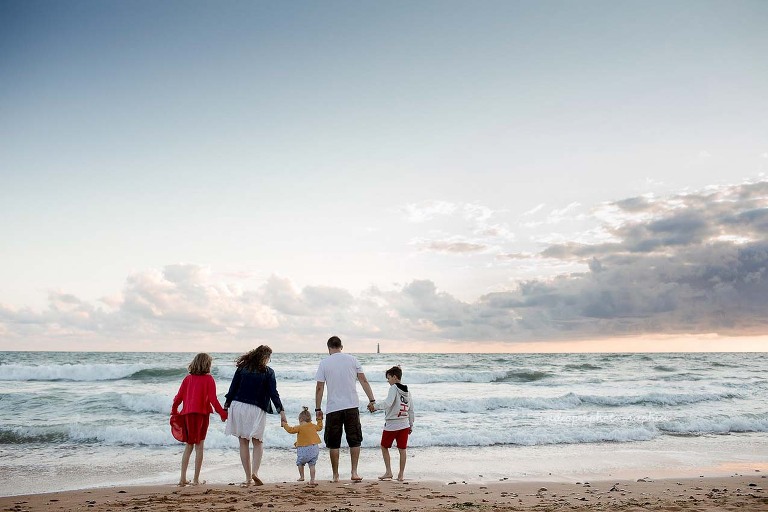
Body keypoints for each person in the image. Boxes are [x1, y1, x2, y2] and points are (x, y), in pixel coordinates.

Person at [315, 335, 376, 482]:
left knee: (333, 442)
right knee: (355, 440)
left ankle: (336, 475)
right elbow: (363, 380)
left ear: (329, 348)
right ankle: (354, 472)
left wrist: (317, 408)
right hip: (351, 406)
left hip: (333, 408)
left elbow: (319, 387)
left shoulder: (324, 363)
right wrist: (372, 400)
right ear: (341, 347)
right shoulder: (352, 360)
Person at [224, 345, 287, 487]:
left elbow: (232, 388)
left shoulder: (242, 368)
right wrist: (281, 411)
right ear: (265, 357)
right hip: (256, 408)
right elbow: (273, 393)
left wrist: (226, 406)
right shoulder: (268, 372)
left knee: (243, 442)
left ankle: (247, 478)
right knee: (257, 442)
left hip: (238, 406)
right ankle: (255, 472)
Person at [171, 353, 228, 487]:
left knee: (189, 446)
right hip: (201, 415)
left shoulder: (187, 379)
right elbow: (213, 399)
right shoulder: (209, 379)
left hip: (187, 415)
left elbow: (178, 398)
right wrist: (222, 414)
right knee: (199, 446)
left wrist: (174, 411)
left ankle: (182, 479)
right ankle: (196, 480)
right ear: (207, 364)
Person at [369, 365, 414, 482]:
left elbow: (388, 403)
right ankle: (401, 474)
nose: (388, 381)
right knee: (402, 449)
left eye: (388, 378)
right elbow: (411, 410)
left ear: (394, 377)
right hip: (404, 424)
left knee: (384, 446)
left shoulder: (393, 388)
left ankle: (389, 471)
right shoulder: (408, 391)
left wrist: (375, 406)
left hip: (392, 424)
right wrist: (411, 424)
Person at [281, 406, 324, 486]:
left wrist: (284, 424)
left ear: (300, 419)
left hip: (304, 449)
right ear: (310, 419)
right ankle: (312, 480)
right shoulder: (313, 426)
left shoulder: (299, 427)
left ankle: (302, 476)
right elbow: (320, 427)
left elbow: (290, 430)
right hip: (314, 448)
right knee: (312, 464)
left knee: (300, 463)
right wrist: (319, 419)